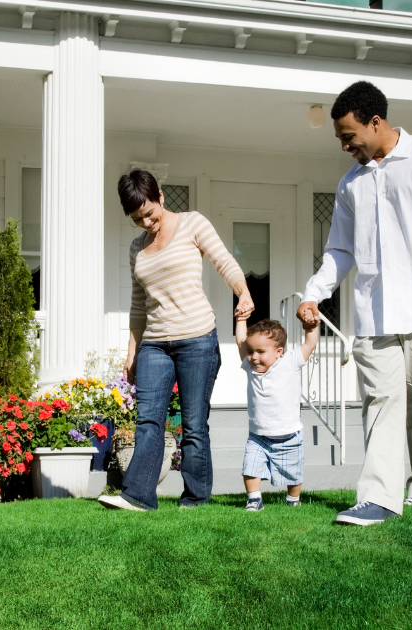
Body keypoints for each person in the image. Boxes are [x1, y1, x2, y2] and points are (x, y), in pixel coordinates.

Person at [298, 81, 412, 526]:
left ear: (375, 122)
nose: (345, 146)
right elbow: (340, 251)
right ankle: (378, 496)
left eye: (348, 135)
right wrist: (314, 292)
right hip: (374, 316)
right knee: (380, 404)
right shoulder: (350, 185)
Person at [98, 169, 254, 511]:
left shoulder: (192, 223)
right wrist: (132, 352)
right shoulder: (136, 248)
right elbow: (139, 304)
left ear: (162, 197)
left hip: (197, 338)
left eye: (150, 214)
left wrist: (242, 292)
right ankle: (138, 495)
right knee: (148, 420)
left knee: (193, 423)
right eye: (137, 219)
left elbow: (223, 261)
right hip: (154, 343)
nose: (146, 223)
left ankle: (195, 499)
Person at [235, 317, 318, 511]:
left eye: (260, 352)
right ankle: (254, 499)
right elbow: (241, 341)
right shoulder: (250, 367)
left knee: (293, 472)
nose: (254, 357)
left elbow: (310, 343)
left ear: (279, 352)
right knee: (250, 467)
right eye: (250, 352)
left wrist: (312, 326)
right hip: (258, 436)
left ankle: (292, 498)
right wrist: (241, 319)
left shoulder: (289, 361)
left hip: (289, 435)